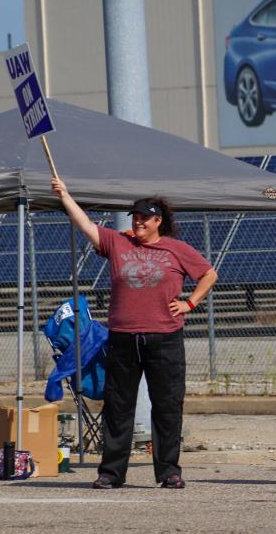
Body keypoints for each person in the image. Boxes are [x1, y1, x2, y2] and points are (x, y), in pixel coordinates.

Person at [51, 178, 217, 489]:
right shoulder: (118, 242)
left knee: (167, 405)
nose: (138, 222)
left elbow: (209, 273)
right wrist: (65, 196)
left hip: (164, 338)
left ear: (158, 221)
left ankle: (169, 471)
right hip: (124, 337)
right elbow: (85, 223)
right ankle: (111, 473)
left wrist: (190, 303)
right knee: (118, 405)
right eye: (135, 217)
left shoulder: (177, 249)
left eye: (144, 218)